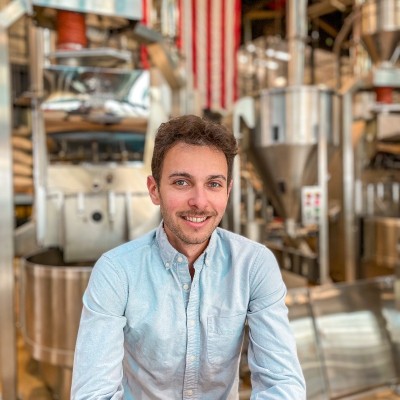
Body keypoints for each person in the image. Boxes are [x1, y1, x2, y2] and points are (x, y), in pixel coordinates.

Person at [71, 114, 306, 399]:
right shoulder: (116, 272)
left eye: (214, 184)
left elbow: (283, 383)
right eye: (182, 182)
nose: (199, 201)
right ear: (154, 190)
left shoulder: (254, 265)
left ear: (228, 192)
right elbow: (92, 394)